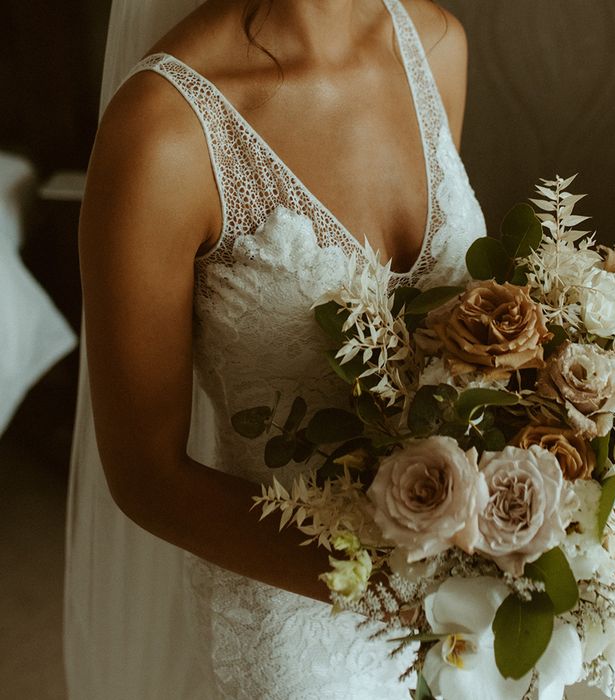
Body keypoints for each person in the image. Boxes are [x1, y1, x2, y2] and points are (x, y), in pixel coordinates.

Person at [65, 0, 486, 697]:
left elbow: (449, 325)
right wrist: (410, 585)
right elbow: (146, 477)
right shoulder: (163, 131)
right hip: (300, 633)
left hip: (477, 591)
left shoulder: (437, 44)